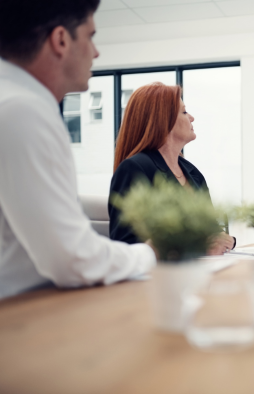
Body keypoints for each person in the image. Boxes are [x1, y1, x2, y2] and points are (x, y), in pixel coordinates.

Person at [0, 0, 156, 299]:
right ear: (60, 40)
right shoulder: (23, 111)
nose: (96, 52)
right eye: (90, 36)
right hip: (21, 316)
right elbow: (73, 259)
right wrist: (151, 253)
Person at [109, 83, 235, 255]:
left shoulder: (193, 173)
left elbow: (210, 231)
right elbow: (125, 246)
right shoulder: (134, 169)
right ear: (163, 120)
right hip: (160, 278)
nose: (191, 117)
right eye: (184, 112)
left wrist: (222, 239)